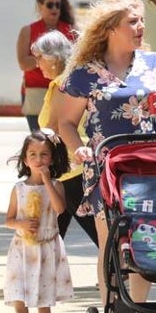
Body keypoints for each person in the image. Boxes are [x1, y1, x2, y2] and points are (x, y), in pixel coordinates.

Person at [55, 0, 156, 313]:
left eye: (142, 20)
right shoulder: (84, 73)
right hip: (105, 170)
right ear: (111, 29)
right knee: (110, 246)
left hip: (150, 168)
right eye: (133, 21)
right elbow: (64, 121)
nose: (141, 27)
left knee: (144, 244)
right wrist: (77, 148)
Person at [3, 130, 74, 313]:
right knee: (19, 296)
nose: (38, 159)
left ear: (52, 159)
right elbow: (9, 219)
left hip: (46, 248)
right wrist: (21, 223)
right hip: (22, 248)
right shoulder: (19, 189)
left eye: (44, 154)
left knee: (44, 299)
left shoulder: (55, 185)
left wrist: (45, 180)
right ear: (25, 159)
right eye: (32, 154)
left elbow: (60, 209)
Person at [32, 30, 98, 246]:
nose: (37, 64)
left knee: (95, 231)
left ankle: (120, 272)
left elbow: (52, 128)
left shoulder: (61, 84)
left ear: (52, 58)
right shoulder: (72, 81)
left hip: (71, 170)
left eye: (39, 58)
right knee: (51, 230)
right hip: (70, 167)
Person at [15, 0, 76, 133]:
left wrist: (40, 58)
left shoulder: (70, 30)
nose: (54, 9)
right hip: (35, 92)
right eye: (50, 5)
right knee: (39, 137)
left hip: (64, 90)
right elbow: (23, 63)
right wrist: (50, 57)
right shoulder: (28, 30)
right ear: (39, 6)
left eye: (57, 5)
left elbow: (76, 61)